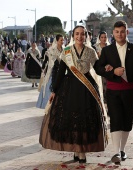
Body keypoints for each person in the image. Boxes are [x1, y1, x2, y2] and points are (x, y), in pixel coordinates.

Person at [39, 25, 108, 163]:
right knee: (72, 120)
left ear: (86, 36)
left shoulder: (91, 51)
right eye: (77, 34)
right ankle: (77, 149)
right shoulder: (66, 52)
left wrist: (107, 68)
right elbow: (60, 73)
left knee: (85, 120)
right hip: (69, 89)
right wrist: (54, 91)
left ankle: (82, 151)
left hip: (86, 89)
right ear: (73, 36)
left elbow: (98, 69)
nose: (80, 37)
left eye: (82, 34)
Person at [95, 20, 133, 164]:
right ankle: (116, 152)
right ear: (113, 33)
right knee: (116, 119)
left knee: (127, 121)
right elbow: (98, 68)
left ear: (127, 32)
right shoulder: (107, 51)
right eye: (117, 32)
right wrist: (112, 72)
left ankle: (122, 150)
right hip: (113, 91)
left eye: (122, 31)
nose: (119, 34)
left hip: (130, 91)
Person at [36, 34, 64, 109]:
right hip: (52, 72)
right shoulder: (52, 50)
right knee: (49, 88)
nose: (62, 41)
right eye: (61, 40)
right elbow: (49, 61)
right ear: (57, 41)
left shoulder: (64, 50)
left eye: (63, 40)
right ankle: (48, 107)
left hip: (62, 72)